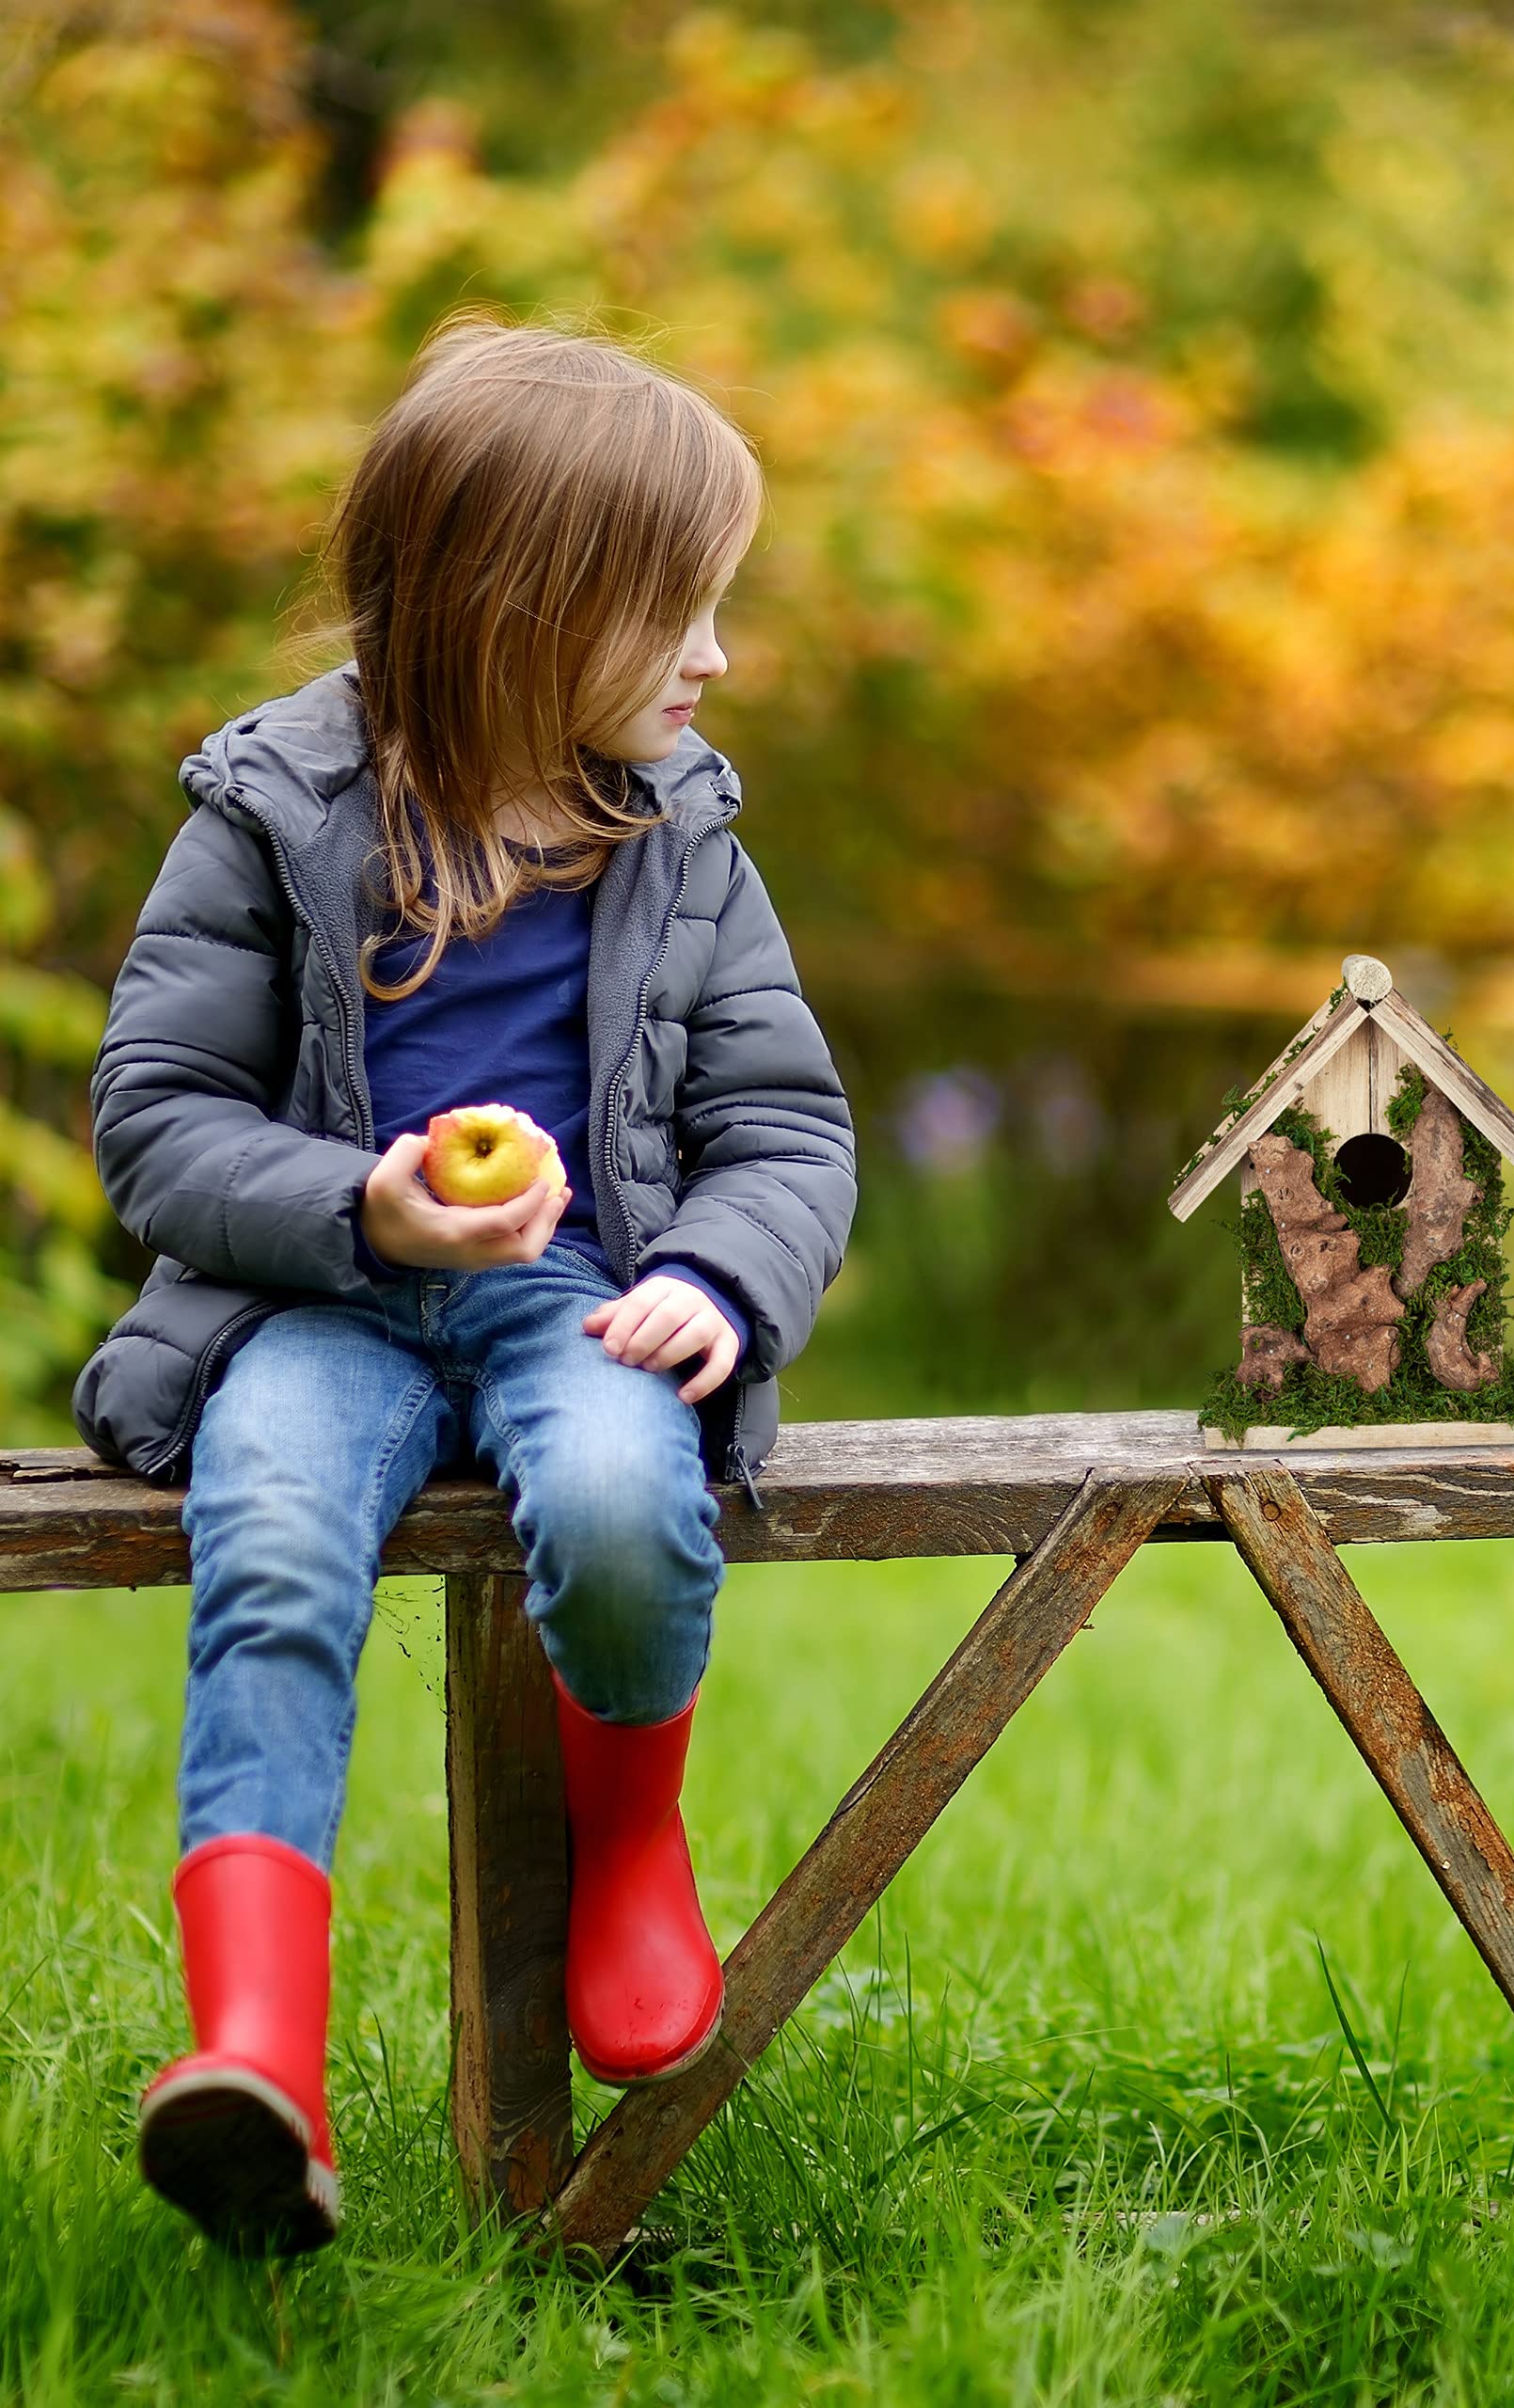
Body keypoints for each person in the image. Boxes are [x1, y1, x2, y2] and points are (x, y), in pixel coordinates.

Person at [72, 315, 857, 2257]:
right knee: (271, 1550)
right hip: (315, 1300)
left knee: (618, 1496)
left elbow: (785, 1123)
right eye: (677, 610)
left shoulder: (680, 836)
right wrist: (362, 1206)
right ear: (524, 608)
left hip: (576, 1293)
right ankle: (256, 2052)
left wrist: (718, 1278)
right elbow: (156, 1116)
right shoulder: (272, 810)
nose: (715, 654)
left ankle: (631, 1845)